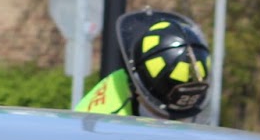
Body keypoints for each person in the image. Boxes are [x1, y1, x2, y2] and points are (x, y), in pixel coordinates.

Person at [76, 9, 211, 120]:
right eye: (160, 116)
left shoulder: (134, 84)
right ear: (137, 90)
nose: (180, 122)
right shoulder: (108, 122)